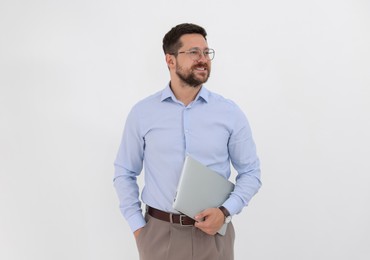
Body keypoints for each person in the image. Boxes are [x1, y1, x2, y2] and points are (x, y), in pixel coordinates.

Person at [113, 23, 261, 260]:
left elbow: (251, 172)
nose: (203, 59)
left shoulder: (229, 112)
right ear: (170, 60)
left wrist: (225, 212)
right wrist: (139, 229)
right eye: (193, 52)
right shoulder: (143, 113)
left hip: (214, 237)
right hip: (159, 235)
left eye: (206, 52)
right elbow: (124, 172)